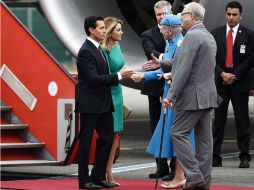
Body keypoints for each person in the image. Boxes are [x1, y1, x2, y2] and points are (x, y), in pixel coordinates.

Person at [132, 15, 195, 189]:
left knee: (179, 136)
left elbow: (179, 71)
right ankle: (180, 175)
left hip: (177, 96)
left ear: (170, 29)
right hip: (169, 93)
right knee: (173, 135)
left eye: (163, 29)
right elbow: (162, 69)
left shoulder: (181, 44)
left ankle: (181, 175)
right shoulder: (170, 44)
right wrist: (143, 75)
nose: (161, 31)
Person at [163, 2, 219, 190]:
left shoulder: (191, 37)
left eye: (183, 14)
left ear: (193, 16)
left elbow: (184, 70)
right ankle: (203, 182)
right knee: (204, 142)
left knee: (177, 132)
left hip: (192, 97)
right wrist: (164, 64)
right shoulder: (208, 36)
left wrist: (170, 95)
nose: (180, 17)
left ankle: (194, 177)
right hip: (207, 96)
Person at [75, 16, 133, 190]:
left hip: (104, 103)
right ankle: (84, 180)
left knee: (107, 138)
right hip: (90, 104)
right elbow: (93, 79)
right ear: (91, 30)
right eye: (100, 28)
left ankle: (98, 176)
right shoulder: (86, 51)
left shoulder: (99, 49)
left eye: (103, 27)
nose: (103, 30)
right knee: (85, 142)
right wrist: (119, 76)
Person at [211, 1, 254, 168]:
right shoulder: (216, 34)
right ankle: (215, 156)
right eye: (229, 14)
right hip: (221, 83)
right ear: (225, 14)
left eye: (234, 14)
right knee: (218, 121)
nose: (231, 17)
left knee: (242, 121)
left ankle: (244, 156)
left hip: (239, 84)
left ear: (240, 16)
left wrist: (234, 75)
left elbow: (250, 59)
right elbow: (212, 58)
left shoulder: (249, 35)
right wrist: (222, 73)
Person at [140, 0, 175, 181]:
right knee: (156, 127)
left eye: (164, 14)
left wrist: (163, 58)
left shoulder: (179, 32)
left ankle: (175, 168)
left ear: (170, 13)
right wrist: (168, 58)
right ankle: (161, 167)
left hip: (175, 86)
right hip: (155, 87)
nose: (161, 18)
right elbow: (150, 54)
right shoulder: (148, 34)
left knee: (174, 127)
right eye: (158, 15)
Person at [101, 17, 125, 186]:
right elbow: (106, 74)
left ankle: (109, 172)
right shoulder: (102, 50)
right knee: (108, 136)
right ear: (110, 33)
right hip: (107, 93)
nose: (121, 32)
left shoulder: (117, 45)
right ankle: (104, 172)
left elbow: (120, 69)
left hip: (118, 91)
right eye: (118, 30)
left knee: (115, 136)